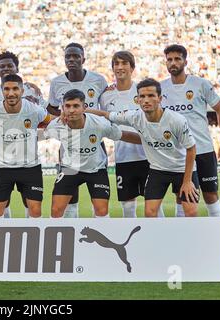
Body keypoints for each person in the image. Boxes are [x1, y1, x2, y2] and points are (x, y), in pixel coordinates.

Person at [86, 78, 200, 217]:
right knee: (150, 213)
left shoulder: (176, 120)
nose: (146, 100)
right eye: (142, 96)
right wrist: (81, 111)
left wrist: (187, 181)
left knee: (191, 212)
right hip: (158, 170)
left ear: (160, 98)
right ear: (138, 99)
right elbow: (106, 115)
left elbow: (191, 148)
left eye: (151, 96)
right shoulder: (135, 117)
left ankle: (182, 238)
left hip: (182, 170)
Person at [45, 89, 141, 218]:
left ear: (84, 107)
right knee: (56, 210)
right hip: (70, 169)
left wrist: (148, 141)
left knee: (101, 211)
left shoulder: (99, 124)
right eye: (67, 106)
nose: (71, 110)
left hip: (96, 169)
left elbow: (124, 135)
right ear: (62, 108)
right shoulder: (55, 127)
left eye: (76, 106)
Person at [161, 44, 220, 217]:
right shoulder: (161, 88)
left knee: (210, 195)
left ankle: (216, 238)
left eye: (177, 59)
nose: (173, 63)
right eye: (169, 59)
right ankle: (183, 239)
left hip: (203, 149)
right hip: (179, 153)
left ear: (185, 61)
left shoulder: (200, 84)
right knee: (181, 196)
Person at [0, 51, 46, 218]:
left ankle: (32, 238)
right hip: (1, 159)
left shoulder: (32, 90)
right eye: (2, 66)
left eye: (10, 66)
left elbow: (44, 117)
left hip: (28, 159)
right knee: (0, 206)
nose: (6, 69)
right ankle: (4, 240)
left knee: (32, 206)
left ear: (17, 68)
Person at [47, 42, 108, 218]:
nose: (72, 59)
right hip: (69, 146)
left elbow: (105, 109)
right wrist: (64, 114)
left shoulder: (98, 80)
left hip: (93, 142)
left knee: (99, 205)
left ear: (83, 58)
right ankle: (71, 236)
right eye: (68, 56)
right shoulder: (57, 82)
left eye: (76, 56)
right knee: (68, 199)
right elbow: (51, 107)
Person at [100, 51, 165, 218]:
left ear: (132, 67)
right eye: (117, 64)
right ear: (113, 68)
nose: (120, 67)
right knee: (128, 208)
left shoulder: (142, 91)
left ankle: (161, 240)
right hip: (123, 158)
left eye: (124, 63)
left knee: (155, 206)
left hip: (148, 157)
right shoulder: (106, 96)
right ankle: (134, 242)